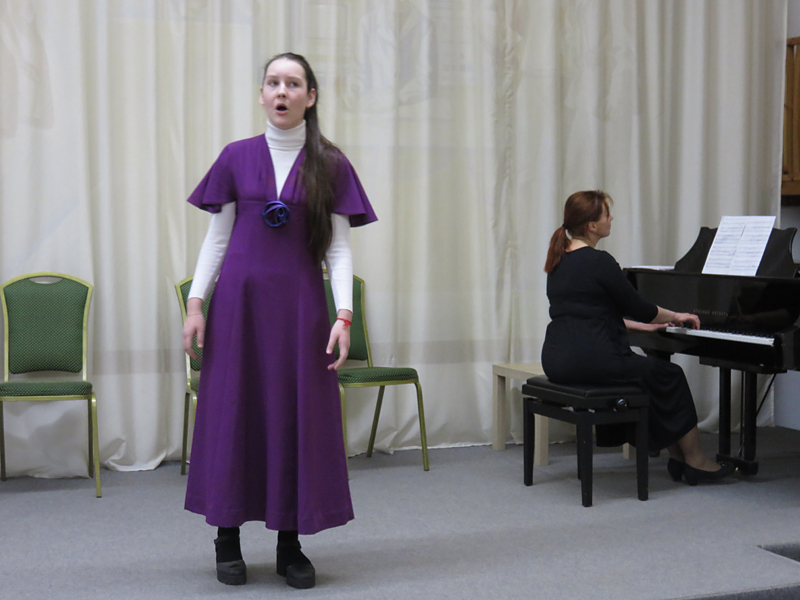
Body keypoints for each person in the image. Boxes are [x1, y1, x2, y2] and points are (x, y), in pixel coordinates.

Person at [181, 52, 377, 590]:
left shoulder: (331, 164)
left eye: (293, 83)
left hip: (300, 310)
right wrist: (196, 306)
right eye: (273, 83)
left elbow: (338, 249)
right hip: (238, 309)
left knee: (296, 417)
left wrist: (343, 315)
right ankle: (226, 538)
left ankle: (290, 544)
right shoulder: (235, 157)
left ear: (310, 97)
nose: (282, 92)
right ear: (262, 94)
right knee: (233, 412)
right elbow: (217, 239)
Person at [541, 190, 735, 486]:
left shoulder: (558, 260)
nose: (611, 218)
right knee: (670, 376)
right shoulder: (599, 261)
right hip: (593, 360)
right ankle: (696, 460)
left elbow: (591, 315)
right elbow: (642, 308)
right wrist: (675, 315)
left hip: (557, 360)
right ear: (592, 226)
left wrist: (643, 329)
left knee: (650, 378)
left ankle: (677, 458)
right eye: (606, 215)